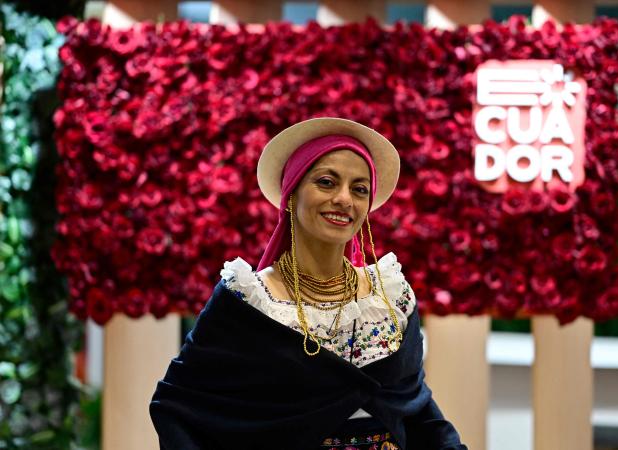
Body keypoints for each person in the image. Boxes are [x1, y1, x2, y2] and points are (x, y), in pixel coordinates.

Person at [149, 117, 468, 450]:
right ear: (292, 193)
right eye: (327, 182)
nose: (344, 199)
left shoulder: (391, 298)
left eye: (359, 189)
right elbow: (176, 405)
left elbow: (416, 408)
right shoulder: (247, 302)